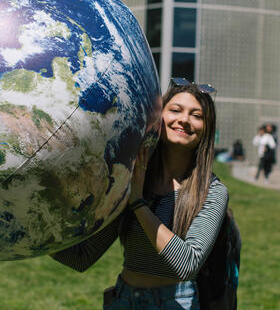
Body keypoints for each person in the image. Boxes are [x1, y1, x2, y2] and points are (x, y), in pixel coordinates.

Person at [50, 79, 228, 309]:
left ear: (207, 128)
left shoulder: (212, 191)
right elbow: (81, 257)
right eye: (175, 110)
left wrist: (138, 203)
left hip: (176, 303)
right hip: (124, 299)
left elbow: (186, 263)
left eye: (197, 115)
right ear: (159, 116)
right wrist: (36, 223)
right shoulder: (133, 177)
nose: (183, 120)